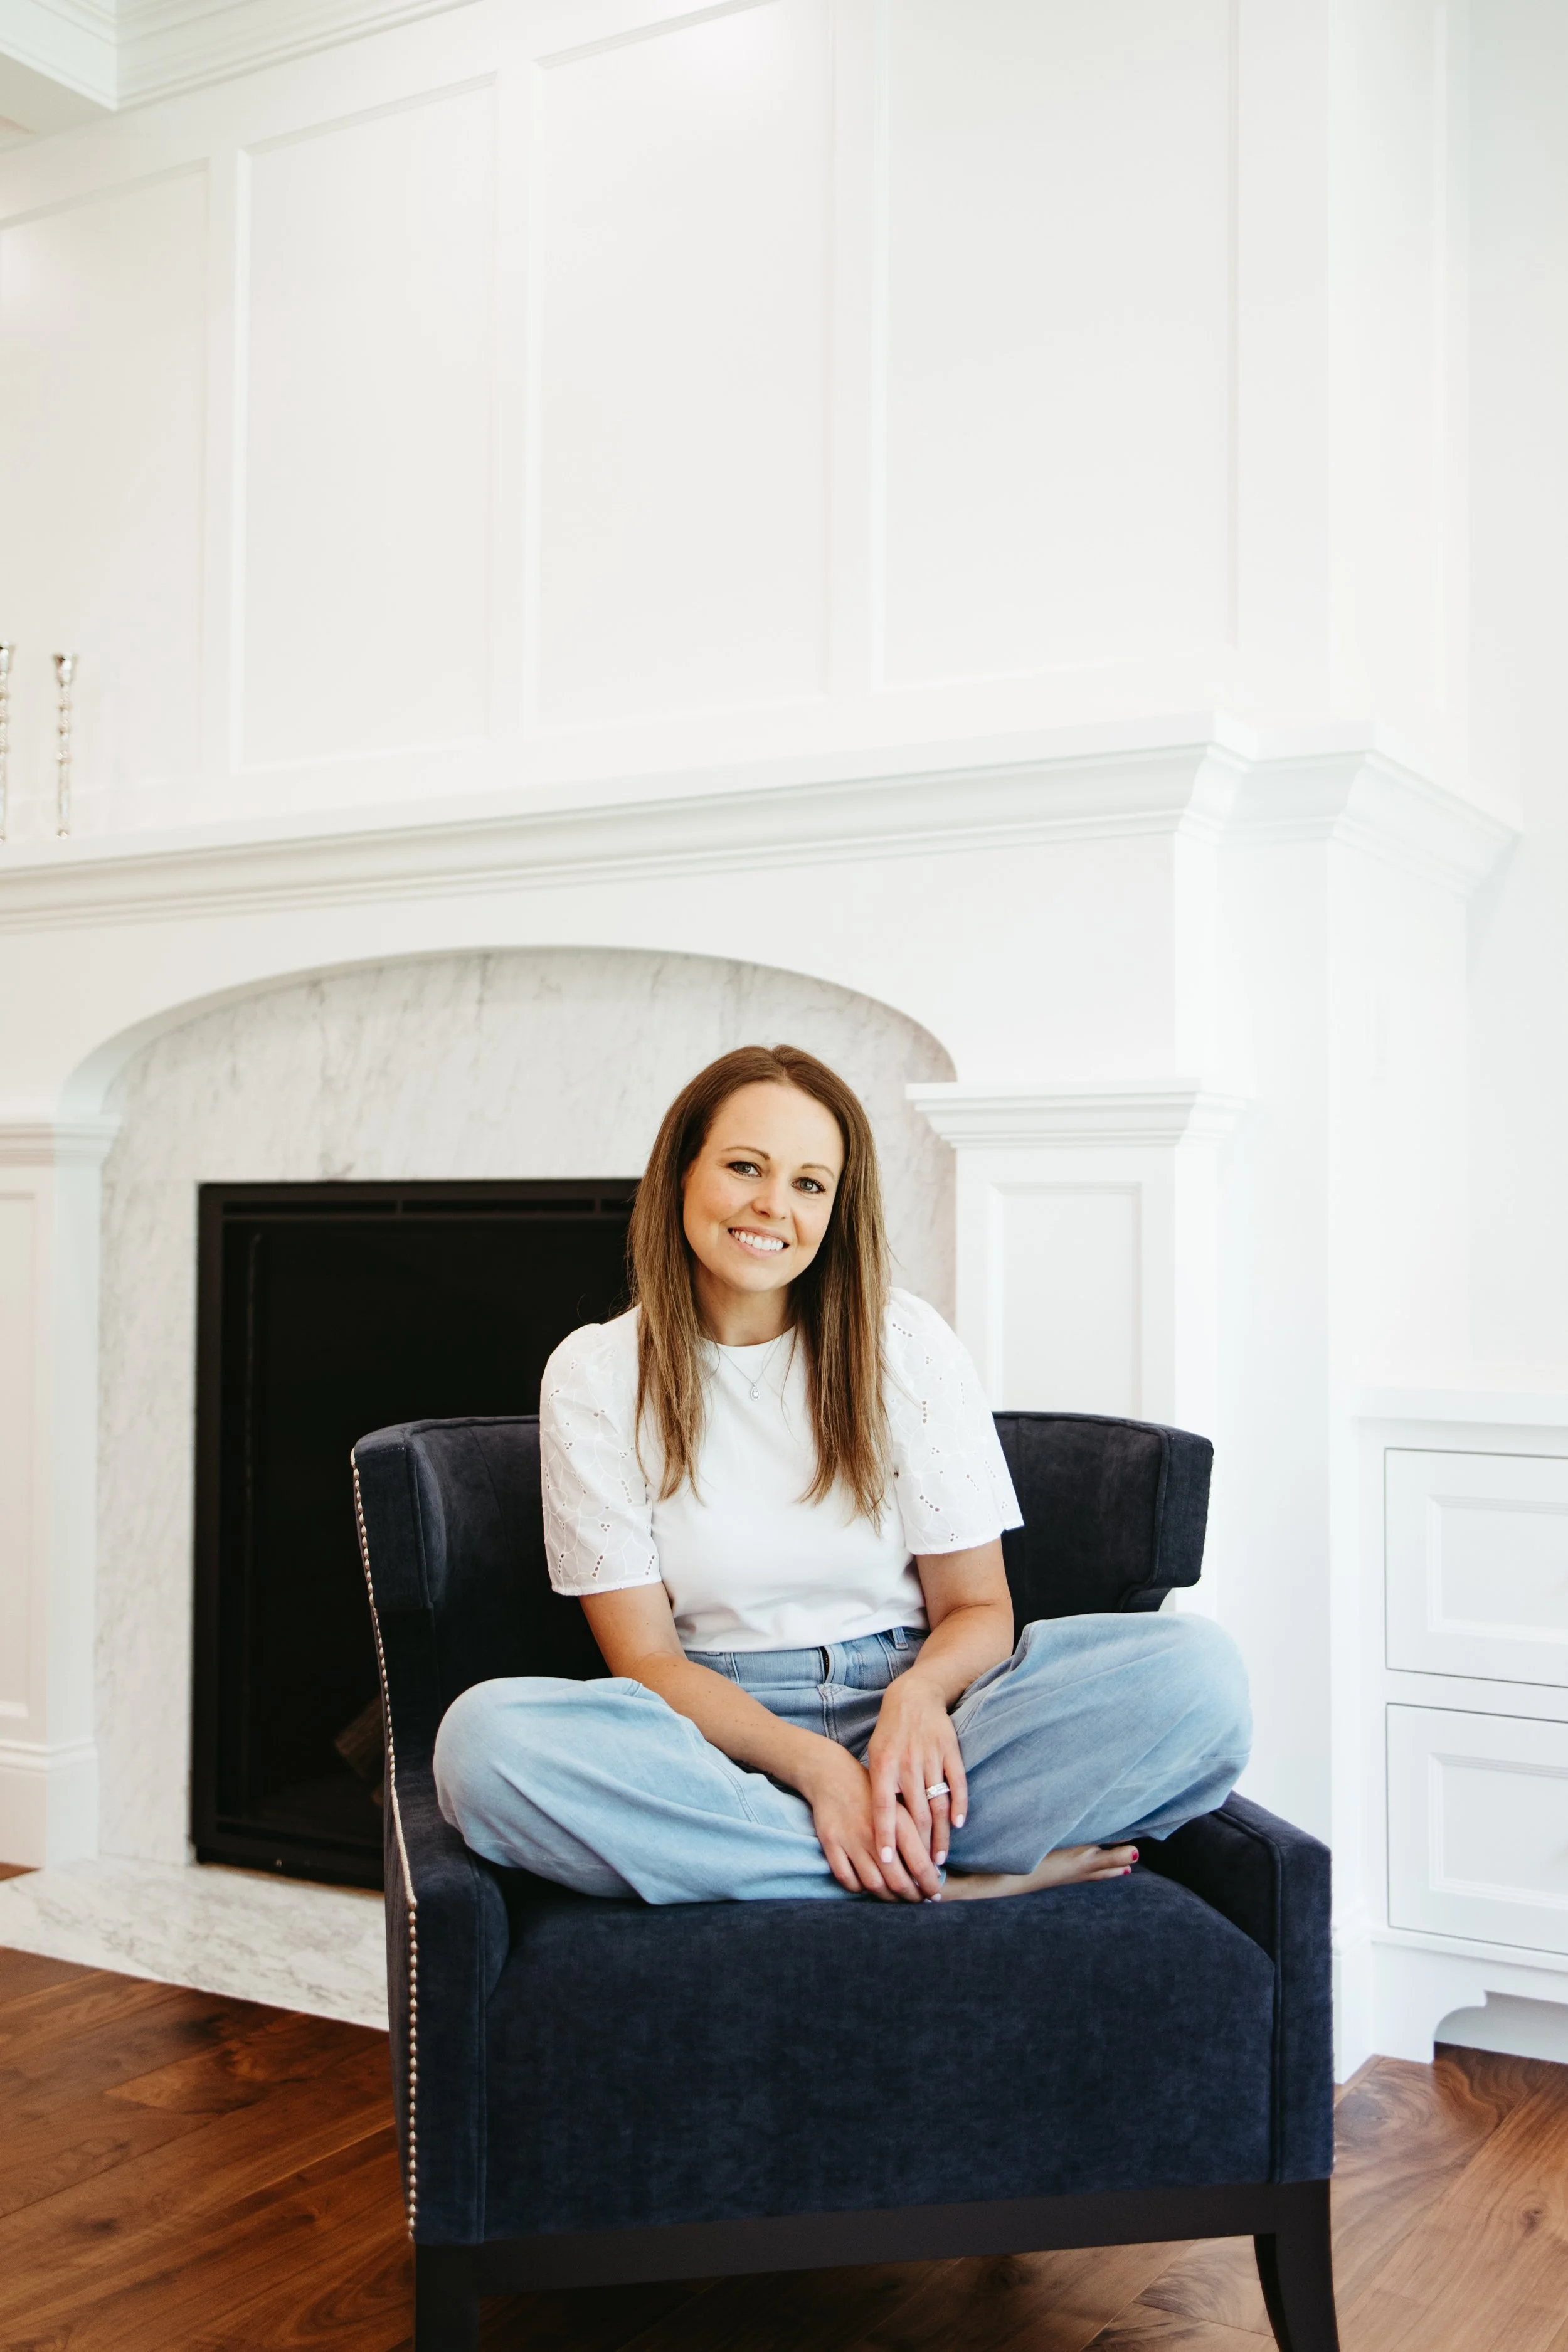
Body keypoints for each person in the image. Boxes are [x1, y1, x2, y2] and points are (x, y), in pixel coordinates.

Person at [434, 1044, 1250, 1904]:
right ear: (680, 1172)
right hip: (716, 1740)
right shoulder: (595, 1372)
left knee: (1200, 1677)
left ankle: (806, 1859)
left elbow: (978, 1610)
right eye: (745, 1166)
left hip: (927, 1722)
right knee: (482, 1747)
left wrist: (919, 1700)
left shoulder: (906, 1341)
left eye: (809, 1183)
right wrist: (818, 1766)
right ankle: (943, 1874)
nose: (771, 1205)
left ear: (836, 1206)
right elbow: (646, 1658)